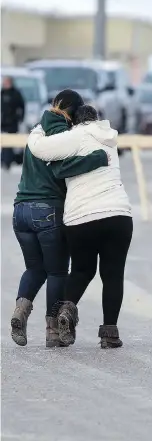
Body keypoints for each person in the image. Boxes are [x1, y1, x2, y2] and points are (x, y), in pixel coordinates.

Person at [28, 104, 133, 349]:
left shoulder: (75, 135)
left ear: (75, 122)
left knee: (82, 271)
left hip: (81, 217)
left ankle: (66, 310)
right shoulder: (110, 140)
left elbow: (40, 150)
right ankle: (110, 334)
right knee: (113, 275)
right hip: (118, 214)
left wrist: (37, 131)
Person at [11, 90, 110, 347]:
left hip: (21, 211)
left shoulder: (38, 131)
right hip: (48, 211)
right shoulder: (63, 136)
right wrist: (98, 157)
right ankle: (53, 332)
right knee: (56, 272)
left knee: (34, 269)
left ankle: (19, 313)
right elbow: (62, 169)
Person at [1, 76, 25, 170]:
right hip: (3, 122)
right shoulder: (2, 93)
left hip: (13, 122)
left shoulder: (16, 93)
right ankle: (4, 160)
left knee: (10, 142)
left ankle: (7, 162)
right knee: (3, 142)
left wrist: (20, 118)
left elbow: (22, 106)